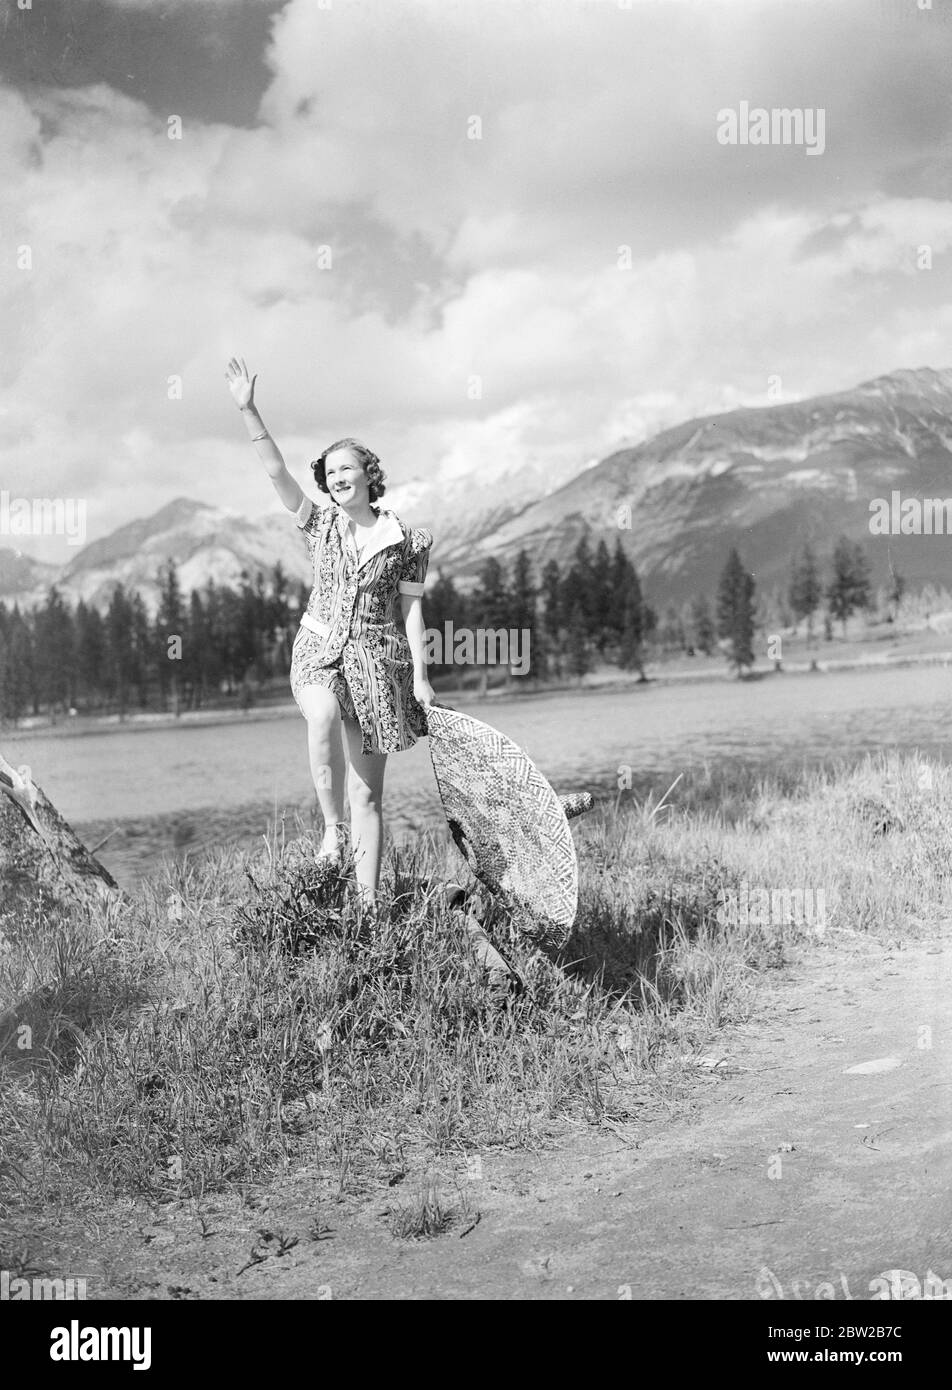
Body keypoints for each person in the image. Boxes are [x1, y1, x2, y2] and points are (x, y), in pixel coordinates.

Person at [225, 357, 435, 905]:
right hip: (319, 649)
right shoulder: (318, 523)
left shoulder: (409, 541)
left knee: (369, 795)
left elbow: (411, 613)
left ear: (369, 474)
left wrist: (421, 678)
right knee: (319, 714)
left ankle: (367, 910)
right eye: (331, 472)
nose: (338, 478)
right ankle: (332, 832)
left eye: (348, 469)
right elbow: (275, 473)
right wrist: (250, 411)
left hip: (377, 665)